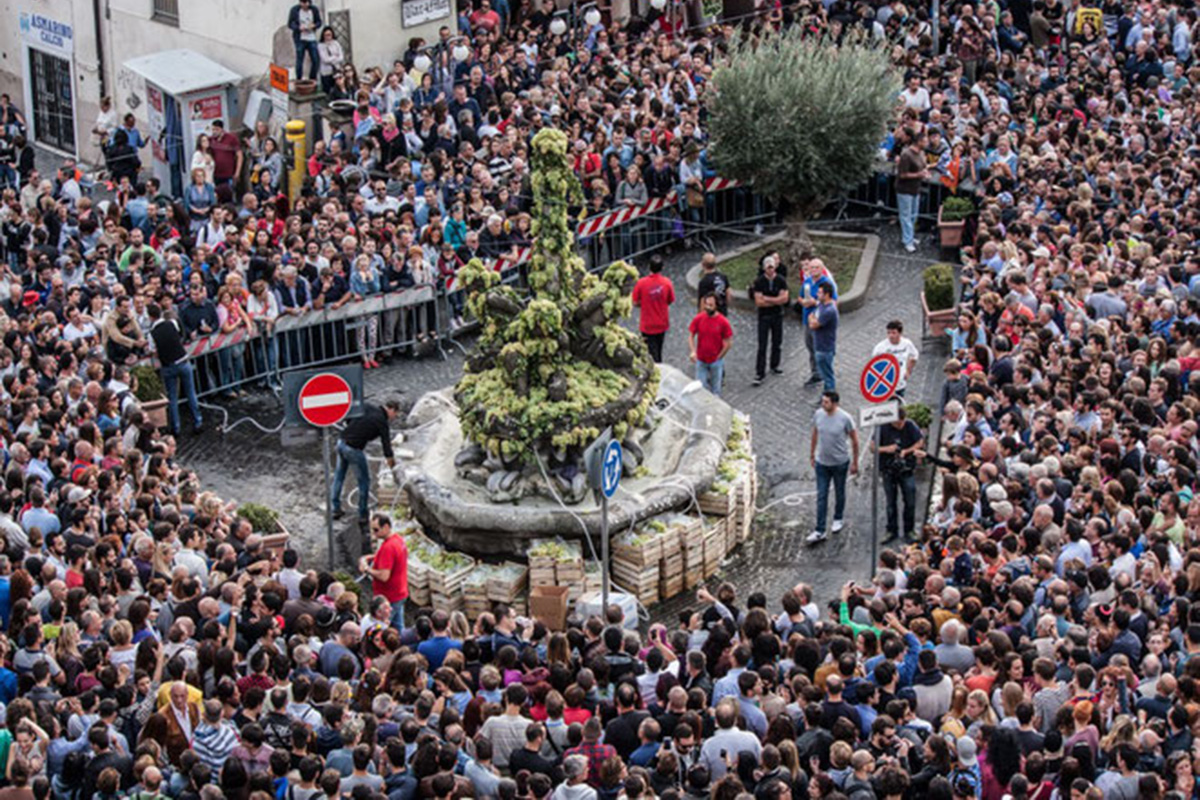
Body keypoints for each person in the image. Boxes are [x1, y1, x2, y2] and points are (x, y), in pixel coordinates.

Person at [330, 398, 401, 525]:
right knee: (364, 481)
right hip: (354, 449)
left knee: (339, 476)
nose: (394, 418)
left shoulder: (367, 406)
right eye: (395, 414)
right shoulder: (382, 422)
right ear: (391, 410)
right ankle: (363, 514)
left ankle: (335, 509)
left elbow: (348, 417)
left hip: (341, 442)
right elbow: (387, 448)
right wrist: (393, 468)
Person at [807, 390, 859, 544]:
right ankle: (820, 529)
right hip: (822, 463)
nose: (823, 404)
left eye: (826, 402)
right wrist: (811, 454)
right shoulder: (818, 414)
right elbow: (815, 434)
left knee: (839, 491)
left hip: (840, 463)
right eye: (823, 401)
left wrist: (855, 462)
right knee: (821, 496)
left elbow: (855, 441)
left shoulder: (845, 418)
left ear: (835, 403)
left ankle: (838, 518)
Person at [147, 302, 203, 436]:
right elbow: (178, 335)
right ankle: (198, 421)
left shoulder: (151, 334)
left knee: (172, 398)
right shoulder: (172, 323)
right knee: (191, 393)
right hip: (183, 361)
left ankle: (176, 428)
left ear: (150, 317)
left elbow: (153, 351)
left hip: (168, 366)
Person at [876, 406, 923, 543]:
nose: (900, 426)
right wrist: (887, 449)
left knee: (910, 501)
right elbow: (874, 447)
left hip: (906, 469)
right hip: (888, 470)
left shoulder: (910, 425)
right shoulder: (883, 427)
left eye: (902, 422)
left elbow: (920, 441)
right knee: (891, 503)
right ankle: (891, 530)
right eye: (897, 423)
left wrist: (907, 451)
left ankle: (909, 530)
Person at [359, 513, 408, 630]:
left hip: (389, 597)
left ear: (386, 527)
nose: (373, 533)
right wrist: (373, 557)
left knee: (381, 629)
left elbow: (384, 576)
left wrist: (367, 569)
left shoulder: (388, 547)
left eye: (376, 530)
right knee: (398, 626)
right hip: (399, 592)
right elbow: (391, 559)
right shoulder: (398, 539)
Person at [751, 253, 789, 386]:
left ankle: (774, 365)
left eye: (772, 267)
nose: (770, 270)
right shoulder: (759, 281)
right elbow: (759, 302)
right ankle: (759, 372)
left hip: (777, 315)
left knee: (777, 342)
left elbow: (784, 299)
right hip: (764, 316)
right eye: (768, 267)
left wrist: (767, 298)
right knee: (762, 345)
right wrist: (776, 300)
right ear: (764, 268)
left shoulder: (781, 280)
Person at [630, 255, 675, 363]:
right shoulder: (667, 283)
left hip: (647, 325)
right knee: (659, 350)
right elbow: (670, 300)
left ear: (649, 266)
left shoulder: (641, 283)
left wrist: (645, 303)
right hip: (662, 323)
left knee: (649, 353)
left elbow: (635, 302)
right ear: (662, 268)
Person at [688, 293, 733, 397]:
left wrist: (719, 357)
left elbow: (728, 342)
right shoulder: (699, 318)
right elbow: (691, 335)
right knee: (700, 390)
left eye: (710, 305)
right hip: (701, 360)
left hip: (715, 361)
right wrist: (693, 351)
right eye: (706, 304)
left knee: (715, 391)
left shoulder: (723, 322)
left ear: (716, 305)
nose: (707, 307)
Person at [895, 132, 927, 253]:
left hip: (916, 188)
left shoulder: (921, 153)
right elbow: (902, 174)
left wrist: (924, 173)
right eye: (924, 141)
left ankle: (910, 236)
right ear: (918, 142)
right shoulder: (906, 155)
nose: (926, 143)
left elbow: (923, 166)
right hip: (905, 189)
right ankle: (907, 240)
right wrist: (918, 175)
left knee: (914, 214)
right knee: (905, 215)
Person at [871, 320, 920, 398]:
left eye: (893, 333)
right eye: (888, 333)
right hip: (887, 385)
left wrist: (908, 371)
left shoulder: (907, 344)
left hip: (901, 383)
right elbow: (874, 365)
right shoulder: (880, 348)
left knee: (900, 406)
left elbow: (914, 356)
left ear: (900, 333)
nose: (890, 335)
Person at [808, 282, 839, 391]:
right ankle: (825, 396)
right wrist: (812, 319)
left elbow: (813, 324)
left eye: (820, 293)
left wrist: (811, 319)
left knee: (828, 376)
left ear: (826, 295)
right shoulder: (822, 305)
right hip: (820, 346)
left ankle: (830, 397)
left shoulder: (829, 310)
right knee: (826, 375)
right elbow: (813, 317)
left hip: (825, 349)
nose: (817, 294)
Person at [288, 0, 323, 80]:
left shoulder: (314, 9)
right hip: (300, 38)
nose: (305, 5)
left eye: (306, 2)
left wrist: (314, 26)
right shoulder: (294, 10)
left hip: (311, 37)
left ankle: (312, 78)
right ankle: (299, 79)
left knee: (315, 59)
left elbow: (319, 22)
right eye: (303, 2)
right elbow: (290, 24)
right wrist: (298, 28)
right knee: (300, 59)